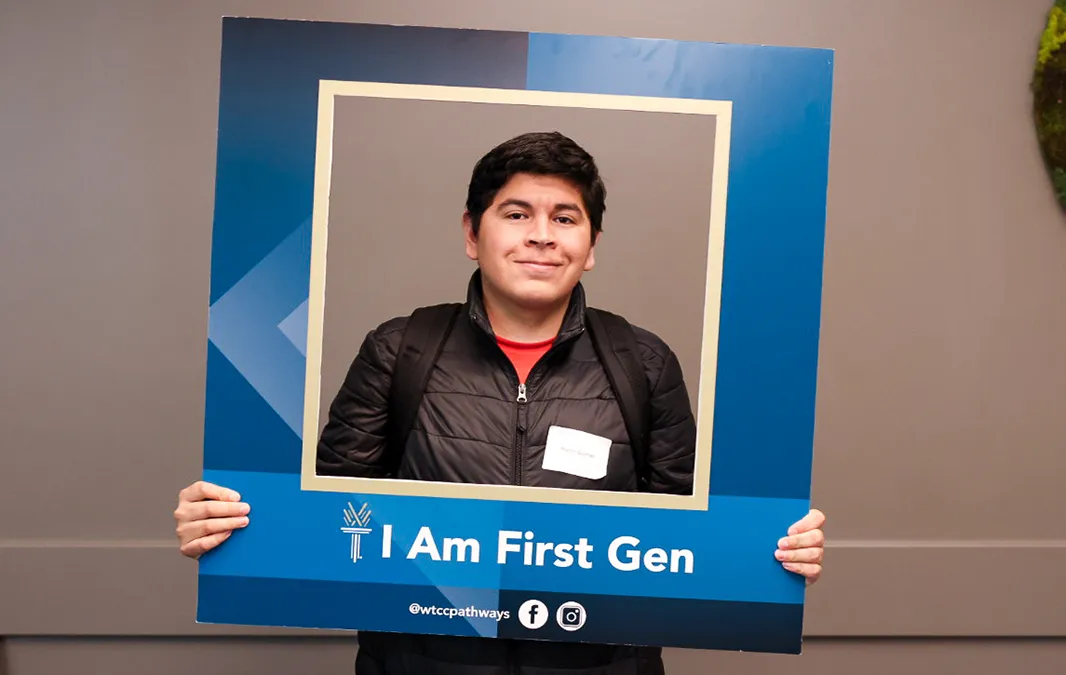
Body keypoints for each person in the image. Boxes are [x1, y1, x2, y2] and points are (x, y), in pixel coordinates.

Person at [174, 131, 827, 674]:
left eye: (565, 218)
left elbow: (695, 541)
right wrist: (233, 528)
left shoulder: (644, 363)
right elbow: (327, 522)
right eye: (516, 213)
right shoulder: (400, 350)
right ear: (471, 231)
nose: (542, 235)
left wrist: (772, 553)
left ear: (590, 245)